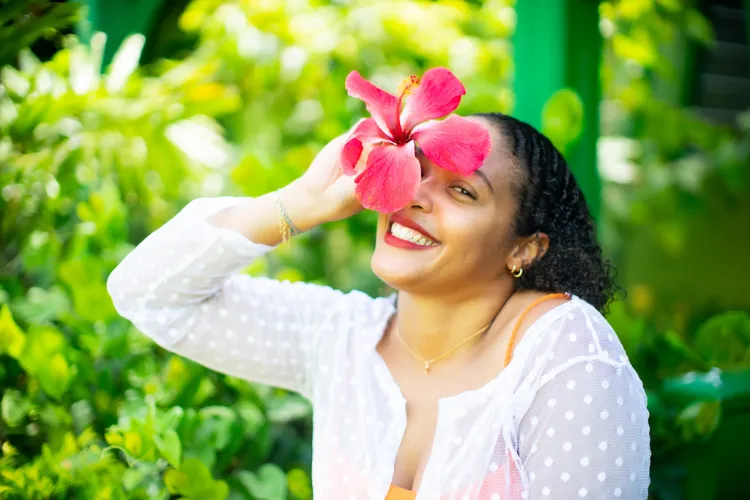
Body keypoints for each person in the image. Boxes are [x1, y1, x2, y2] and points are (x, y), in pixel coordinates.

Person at [107, 112, 650, 500]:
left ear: (524, 247)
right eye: (413, 169)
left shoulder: (564, 353)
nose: (414, 194)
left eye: (463, 192)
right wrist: (302, 203)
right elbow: (149, 294)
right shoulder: (342, 338)